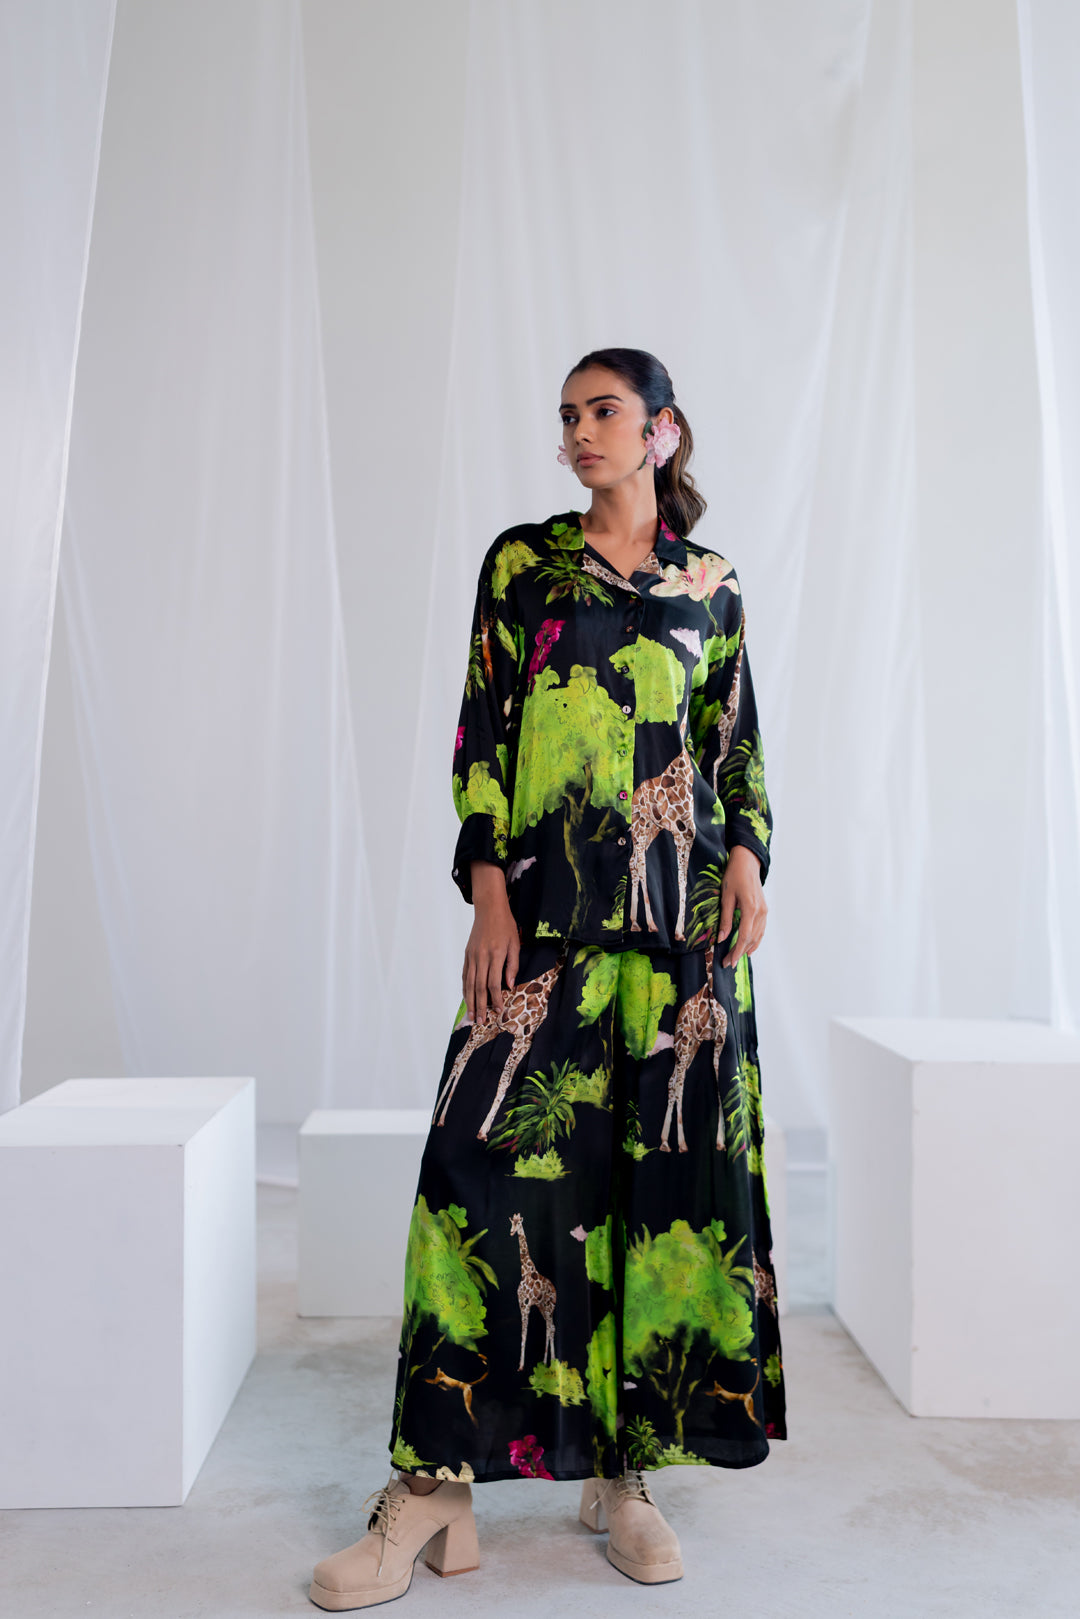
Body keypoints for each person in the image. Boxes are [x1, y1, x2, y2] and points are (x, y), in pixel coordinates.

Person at [308, 347, 785, 1611]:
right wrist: (488, 889)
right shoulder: (523, 565)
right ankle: (431, 1484)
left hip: (681, 936)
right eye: (568, 415)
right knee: (471, 1175)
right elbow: (485, 727)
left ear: (661, 431)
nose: (579, 431)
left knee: (649, 1186)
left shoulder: (712, 583)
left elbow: (734, 742)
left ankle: (624, 1471)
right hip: (548, 924)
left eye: (604, 411)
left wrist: (747, 855)